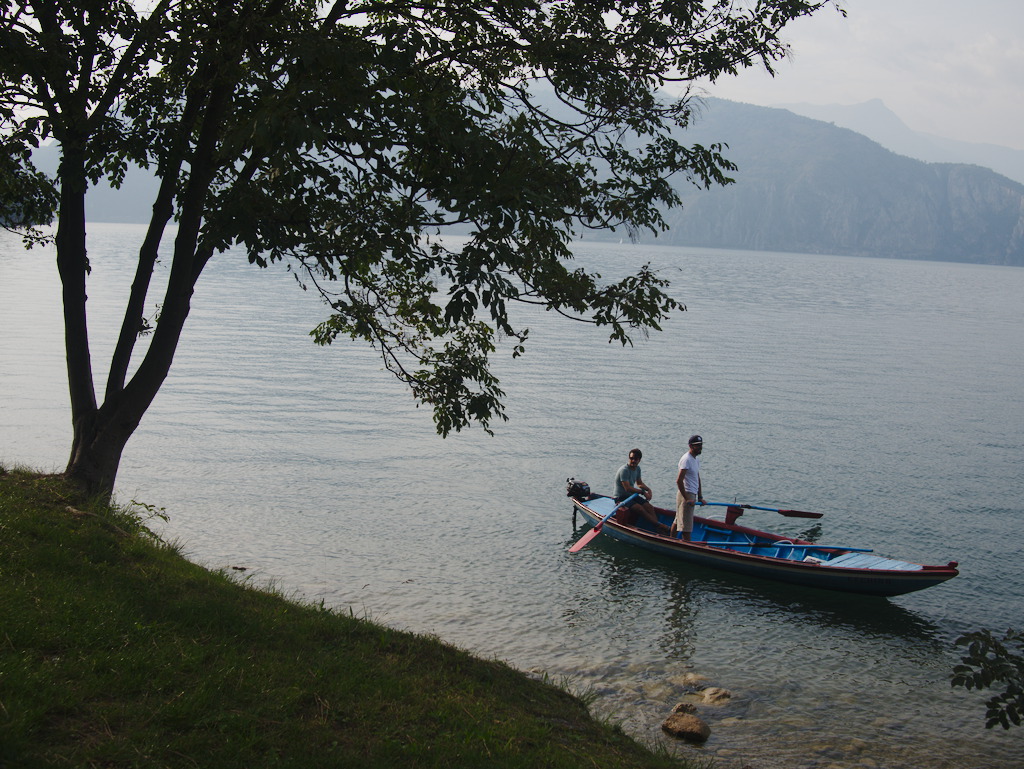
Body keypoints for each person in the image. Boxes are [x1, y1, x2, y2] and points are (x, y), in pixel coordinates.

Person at [613, 449, 671, 534]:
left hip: (631, 496)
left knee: (649, 507)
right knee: (639, 508)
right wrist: (643, 493)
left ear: (639, 460)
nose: (633, 461)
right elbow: (627, 488)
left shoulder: (637, 469)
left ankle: (657, 527)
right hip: (620, 498)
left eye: (635, 459)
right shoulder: (624, 470)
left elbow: (639, 483)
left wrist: (648, 490)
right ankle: (660, 525)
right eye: (631, 458)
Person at [673, 435, 706, 541]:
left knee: (678, 520)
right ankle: (685, 545)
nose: (700, 447)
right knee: (686, 527)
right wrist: (687, 498)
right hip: (686, 494)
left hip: (692, 494)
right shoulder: (686, 459)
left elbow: (697, 477)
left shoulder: (696, 460)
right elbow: (679, 480)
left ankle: (670, 540)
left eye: (701, 445)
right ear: (691, 446)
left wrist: (700, 496)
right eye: (697, 445)